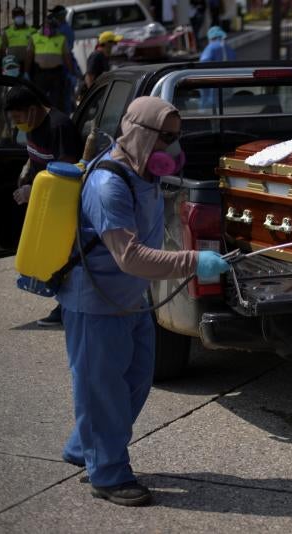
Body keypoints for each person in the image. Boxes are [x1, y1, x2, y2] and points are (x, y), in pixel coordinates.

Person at [55, 96, 230, 506]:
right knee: (102, 391)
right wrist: (194, 261)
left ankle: (85, 447)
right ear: (140, 134)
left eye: (177, 137)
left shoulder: (143, 176)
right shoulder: (107, 184)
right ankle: (109, 475)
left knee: (134, 382)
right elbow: (129, 256)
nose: (173, 147)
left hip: (130, 301)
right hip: (96, 304)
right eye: (166, 137)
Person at [5, 86, 83, 327]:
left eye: (18, 118)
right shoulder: (32, 126)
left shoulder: (59, 127)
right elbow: (36, 157)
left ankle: (66, 307)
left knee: (66, 257)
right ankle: (65, 303)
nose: (17, 124)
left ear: (32, 110)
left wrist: (34, 192)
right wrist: (26, 175)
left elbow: (66, 175)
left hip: (62, 205)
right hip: (44, 204)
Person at [26, 14, 73, 112]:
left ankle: (56, 120)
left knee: (57, 101)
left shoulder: (61, 38)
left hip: (56, 74)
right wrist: (26, 72)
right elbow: (29, 56)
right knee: (39, 100)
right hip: (40, 73)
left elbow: (67, 57)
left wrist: (71, 72)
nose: (50, 29)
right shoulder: (34, 37)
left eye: (52, 27)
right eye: (48, 27)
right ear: (43, 26)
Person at [1, 7, 36, 74]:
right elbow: (3, 49)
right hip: (12, 65)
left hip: (29, 65)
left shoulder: (32, 31)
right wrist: (4, 64)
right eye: (16, 15)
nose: (19, 17)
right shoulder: (7, 31)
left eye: (20, 14)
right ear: (13, 17)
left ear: (23, 15)